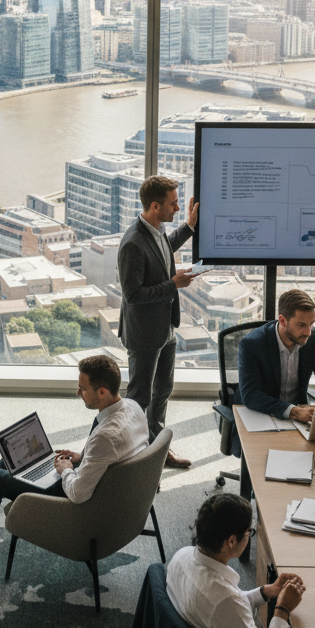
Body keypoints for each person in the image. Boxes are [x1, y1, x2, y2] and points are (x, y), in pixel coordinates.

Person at [0, 353, 149, 566]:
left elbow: (79, 494)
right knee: (13, 460)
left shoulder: (105, 437)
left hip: (73, 500)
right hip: (99, 483)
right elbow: (112, 453)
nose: (78, 393)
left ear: (102, 392)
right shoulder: (133, 407)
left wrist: (65, 470)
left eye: (83, 388)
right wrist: (82, 457)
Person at [167, 493, 305, 628]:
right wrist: (282, 609)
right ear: (232, 541)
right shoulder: (222, 600)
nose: (251, 534)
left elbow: (227, 609)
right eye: (249, 531)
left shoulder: (182, 556)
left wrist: (265, 592)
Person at [117, 175, 196, 468]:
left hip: (165, 329)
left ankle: (157, 449)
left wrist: (188, 226)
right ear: (154, 206)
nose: (177, 207)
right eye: (173, 204)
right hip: (144, 333)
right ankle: (135, 460)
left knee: (162, 391)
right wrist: (173, 285)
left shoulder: (157, 229)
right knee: (139, 398)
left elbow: (165, 250)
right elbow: (133, 294)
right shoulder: (132, 244)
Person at [237, 289, 315, 423]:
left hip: (298, 419)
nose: (308, 332)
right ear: (283, 321)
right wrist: (294, 412)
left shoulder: (313, 339)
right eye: (301, 325)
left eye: (311, 324)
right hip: (259, 415)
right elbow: (251, 395)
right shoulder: (251, 344)